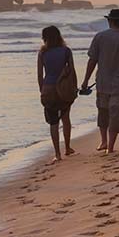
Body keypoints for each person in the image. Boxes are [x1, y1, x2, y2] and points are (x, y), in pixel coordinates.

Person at [80, 9, 119, 154]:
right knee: (115, 113)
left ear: (109, 20)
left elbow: (92, 60)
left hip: (102, 81)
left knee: (103, 111)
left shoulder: (100, 37)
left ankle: (103, 141)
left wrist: (85, 80)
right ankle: (110, 146)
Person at [37, 26, 75, 162]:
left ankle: (57, 154)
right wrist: (74, 88)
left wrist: (42, 90)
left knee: (53, 122)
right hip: (64, 88)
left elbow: (40, 75)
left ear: (44, 38)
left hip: (48, 88)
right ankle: (68, 148)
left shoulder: (42, 53)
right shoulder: (66, 51)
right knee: (66, 118)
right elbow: (71, 71)